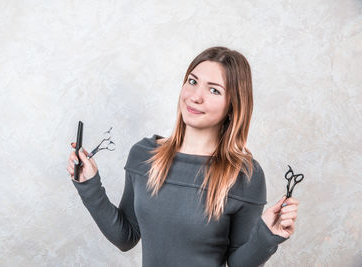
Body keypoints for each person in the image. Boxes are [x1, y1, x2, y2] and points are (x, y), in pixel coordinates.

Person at [66, 46, 299, 267]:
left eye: (214, 90)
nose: (195, 96)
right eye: (192, 81)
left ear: (233, 105)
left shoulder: (244, 175)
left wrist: (268, 235)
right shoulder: (144, 155)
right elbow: (126, 237)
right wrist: (88, 184)